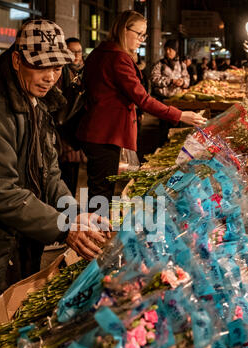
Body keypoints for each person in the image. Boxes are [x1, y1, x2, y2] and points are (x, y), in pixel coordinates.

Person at [0, 20, 110, 316]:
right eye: (41, 67)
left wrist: (75, 215)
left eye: (58, 68)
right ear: (16, 60)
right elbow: (2, 192)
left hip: (20, 235)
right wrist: (64, 228)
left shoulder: (37, 101)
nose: (50, 77)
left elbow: (49, 174)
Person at [76, 11, 206, 204]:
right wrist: (180, 115)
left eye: (144, 35)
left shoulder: (100, 52)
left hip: (97, 130)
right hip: (105, 133)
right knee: (101, 191)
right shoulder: (117, 58)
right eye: (139, 34)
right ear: (123, 30)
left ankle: (95, 227)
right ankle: (95, 230)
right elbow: (142, 99)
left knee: (99, 187)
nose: (142, 40)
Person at [56, 37, 86, 197]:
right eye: (71, 51)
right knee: (64, 172)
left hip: (78, 128)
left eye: (78, 51)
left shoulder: (85, 71)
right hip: (62, 129)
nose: (76, 55)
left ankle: (69, 208)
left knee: (73, 172)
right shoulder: (60, 72)